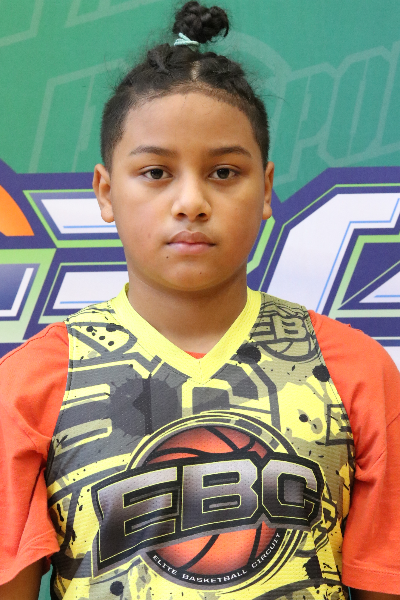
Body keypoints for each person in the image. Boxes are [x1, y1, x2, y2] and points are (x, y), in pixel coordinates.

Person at [1, 2, 399, 599]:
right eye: (156, 173)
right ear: (105, 192)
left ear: (266, 189)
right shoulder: (33, 383)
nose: (191, 202)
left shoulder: (355, 371)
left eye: (224, 173)